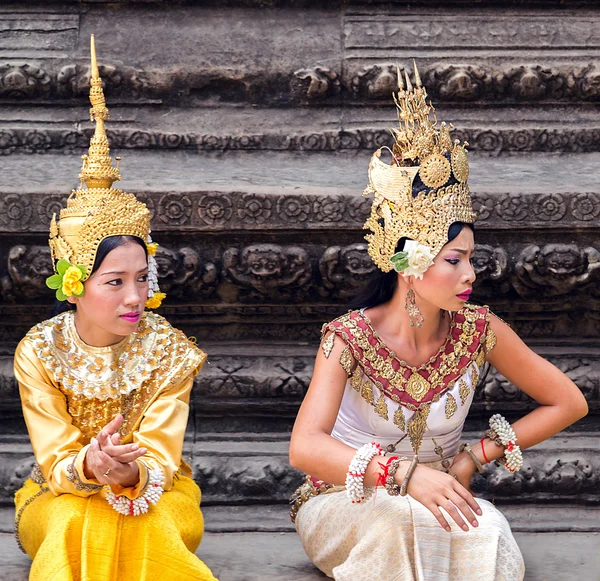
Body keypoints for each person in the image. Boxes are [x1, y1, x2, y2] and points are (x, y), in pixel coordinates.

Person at [288, 64, 588, 581]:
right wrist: (402, 474)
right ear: (407, 263)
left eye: (470, 257)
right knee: (393, 521)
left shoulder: (478, 329)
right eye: (453, 260)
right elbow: (305, 448)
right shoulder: (349, 338)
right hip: (349, 499)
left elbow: (569, 401)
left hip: (436, 497)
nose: (469, 273)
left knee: (488, 535)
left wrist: (474, 457)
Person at [13, 36, 218, 581]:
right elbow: (55, 458)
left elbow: (161, 456)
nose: (136, 296)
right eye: (116, 282)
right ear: (74, 284)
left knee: (148, 525)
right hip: (59, 496)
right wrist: (90, 464)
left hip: (157, 493)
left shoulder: (168, 350)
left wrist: (125, 473)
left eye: (143, 279)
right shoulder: (40, 351)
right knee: (75, 525)